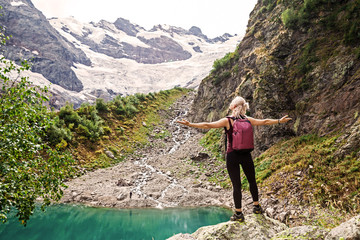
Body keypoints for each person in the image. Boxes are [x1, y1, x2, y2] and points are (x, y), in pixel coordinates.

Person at [177, 96, 292, 222]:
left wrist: (190, 124)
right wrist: (279, 121)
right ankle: (257, 207)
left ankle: (238, 214)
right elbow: (265, 121)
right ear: (244, 107)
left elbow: (207, 125)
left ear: (233, 107)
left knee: (236, 185)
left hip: (232, 155)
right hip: (246, 155)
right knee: (252, 181)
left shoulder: (228, 121)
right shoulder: (248, 119)